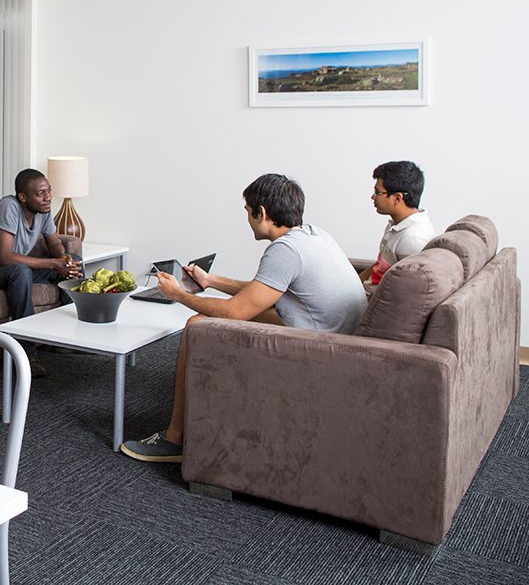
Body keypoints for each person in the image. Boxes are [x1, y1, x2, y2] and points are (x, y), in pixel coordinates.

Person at [121, 173, 366, 464]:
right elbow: (263, 289)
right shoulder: (312, 235)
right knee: (241, 310)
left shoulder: (285, 250)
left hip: (318, 348)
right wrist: (211, 281)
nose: (247, 220)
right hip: (336, 335)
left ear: (261, 212)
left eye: (248, 212)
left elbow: (235, 312)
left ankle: (174, 439)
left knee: (197, 325)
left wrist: (178, 294)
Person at [0, 168, 81, 377]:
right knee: (20, 272)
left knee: (76, 262)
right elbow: (5, 258)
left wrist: (64, 258)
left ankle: (67, 338)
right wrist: (54, 264)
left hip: (12, 270)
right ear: (23, 197)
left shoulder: (43, 211)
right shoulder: (8, 207)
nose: (47, 198)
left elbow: (54, 244)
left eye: (49, 191)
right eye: (40, 193)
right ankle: (25, 353)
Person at [361, 160, 436, 295]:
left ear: (397, 198)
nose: (372, 197)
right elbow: (378, 268)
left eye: (377, 193)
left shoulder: (413, 239)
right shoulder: (396, 225)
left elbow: (406, 294)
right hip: (361, 295)